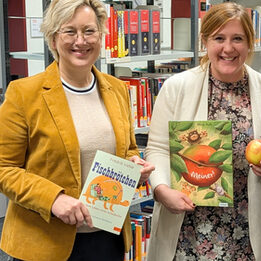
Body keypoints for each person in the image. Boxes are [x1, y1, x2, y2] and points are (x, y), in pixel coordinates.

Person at [0, 0, 154, 260]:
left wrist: (133, 165)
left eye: (89, 31)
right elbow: (5, 169)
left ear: (101, 35)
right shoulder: (24, 94)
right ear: (53, 38)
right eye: (69, 31)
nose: (80, 41)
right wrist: (53, 199)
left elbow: (126, 149)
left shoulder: (117, 89)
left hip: (107, 238)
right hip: (44, 243)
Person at [144, 2, 261, 260]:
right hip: (186, 231)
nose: (228, 48)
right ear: (204, 42)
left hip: (246, 231)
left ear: (249, 43)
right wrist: (161, 190)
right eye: (218, 38)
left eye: (238, 39)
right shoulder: (176, 88)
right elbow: (157, 148)